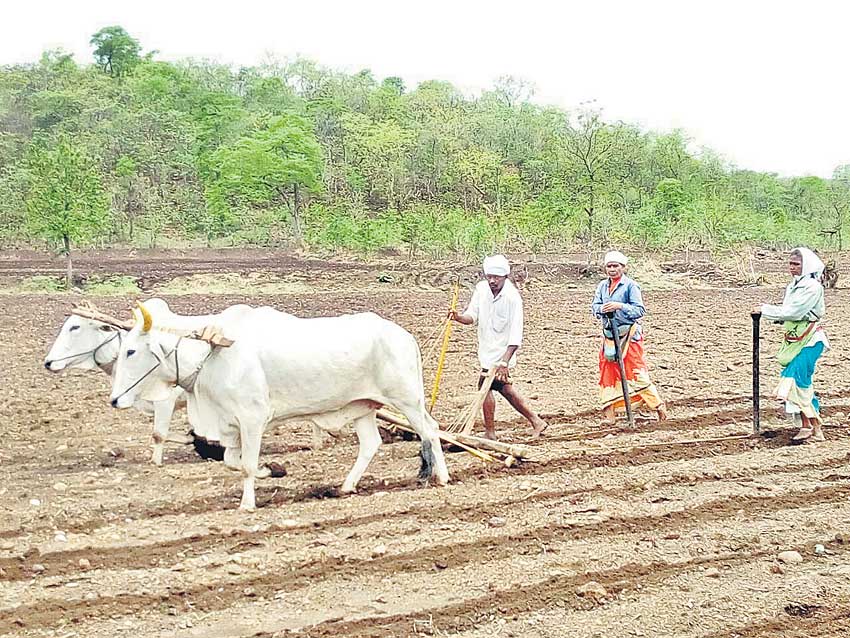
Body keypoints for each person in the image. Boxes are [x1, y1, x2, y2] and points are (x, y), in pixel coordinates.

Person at [449, 254, 548, 440]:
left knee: (484, 386)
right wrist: (458, 318)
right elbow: (472, 315)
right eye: (489, 277)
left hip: (503, 353)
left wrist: (504, 362)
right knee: (504, 389)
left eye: (496, 277)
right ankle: (536, 421)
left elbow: (515, 334)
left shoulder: (513, 298)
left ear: (505, 277)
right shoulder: (481, 289)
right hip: (486, 349)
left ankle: (490, 433)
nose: (492, 281)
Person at [754, 247, 829, 442]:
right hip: (794, 339)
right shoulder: (793, 286)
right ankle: (812, 428)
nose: (792, 267)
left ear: (806, 266)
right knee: (803, 385)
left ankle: (811, 424)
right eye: (790, 263)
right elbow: (789, 313)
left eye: (796, 264)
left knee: (795, 380)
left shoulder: (813, 287)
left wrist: (765, 310)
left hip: (810, 340)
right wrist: (773, 316)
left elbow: (795, 312)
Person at [591, 250, 667, 425]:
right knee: (607, 372)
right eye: (609, 266)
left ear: (623, 268)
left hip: (629, 336)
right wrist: (601, 309)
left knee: (635, 372)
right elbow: (594, 306)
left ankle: (657, 405)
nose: (612, 269)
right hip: (610, 335)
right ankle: (610, 415)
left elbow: (639, 310)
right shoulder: (602, 286)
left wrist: (620, 306)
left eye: (616, 266)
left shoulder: (631, 286)